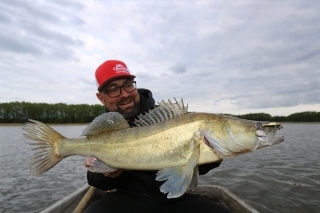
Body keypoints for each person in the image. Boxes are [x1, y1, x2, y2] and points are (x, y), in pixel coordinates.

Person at [84, 60, 232, 213]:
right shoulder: (102, 129)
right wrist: (110, 174)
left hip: (174, 198)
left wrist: (213, 154)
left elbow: (194, 168)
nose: (125, 94)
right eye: (113, 89)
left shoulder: (167, 119)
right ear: (101, 98)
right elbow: (95, 180)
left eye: (128, 85)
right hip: (128, 198)